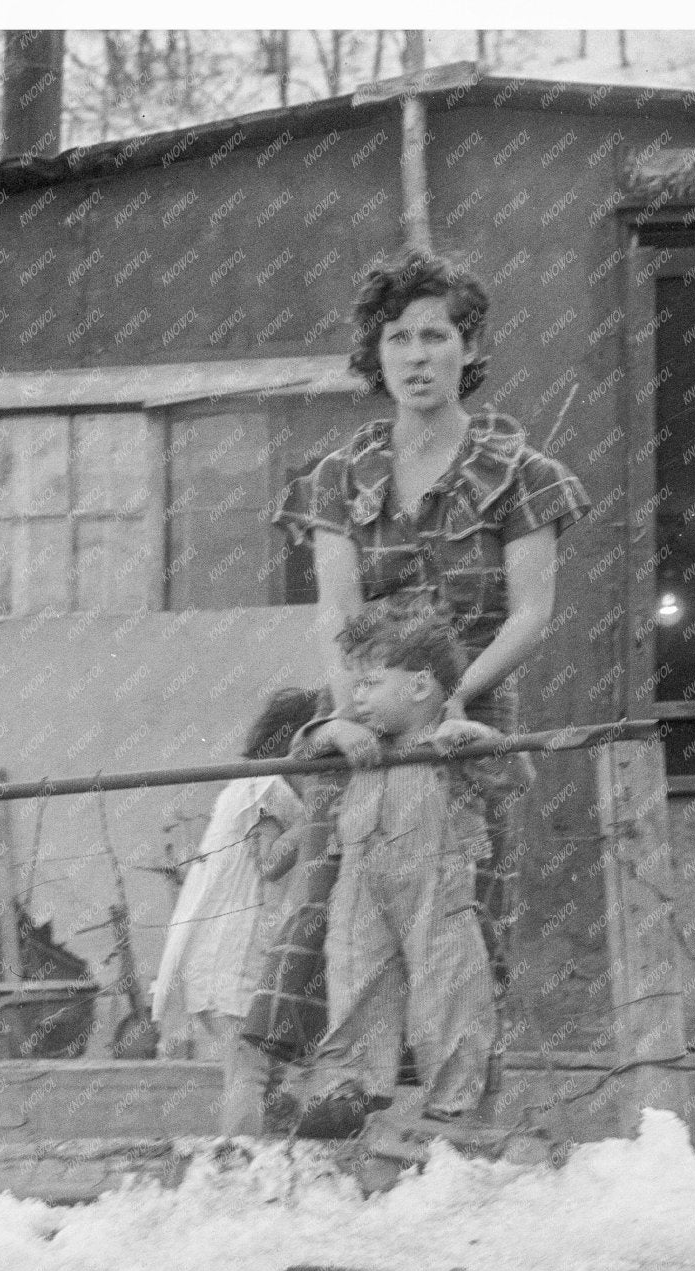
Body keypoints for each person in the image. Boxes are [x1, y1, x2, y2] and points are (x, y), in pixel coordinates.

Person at [272, 249, 590, 976]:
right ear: (375, 354)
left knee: (463, 918)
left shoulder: (524, 475)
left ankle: (461, 1087)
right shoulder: (336, 478)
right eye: (398, 339)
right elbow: (335, 613)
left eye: (435, 336)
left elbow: (531, 614)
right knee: (331, 904)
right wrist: (351, 710)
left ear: (470, 347)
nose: (416, 357)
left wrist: (451, 699)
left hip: (469, 716)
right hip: (364, 712)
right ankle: (324, 1081)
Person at [291, 595, 533, 1141]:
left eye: (371, 683)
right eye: (355, 684)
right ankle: (344, 1091)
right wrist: (332, 729)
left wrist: (480, 741)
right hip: (359, 884)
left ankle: (453, 1106)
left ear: (421, 686)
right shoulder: (359, 740)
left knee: (450, 989)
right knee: (355, 981)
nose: (358, 696)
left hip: (437, 888)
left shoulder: (450, 743)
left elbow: (516, 777)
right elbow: (300, 748)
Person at [150, 688, 320, 1135]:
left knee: (261, 1071)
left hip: (224, 958)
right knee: (250, 1071)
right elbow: (269, 862)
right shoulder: (266, 787)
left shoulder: (249, 786)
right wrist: (314, 821)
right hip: (229, 960)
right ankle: (241, 1168)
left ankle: (257, 1159)